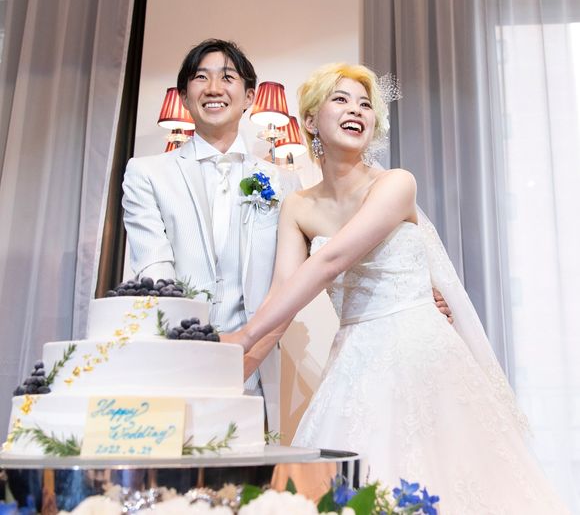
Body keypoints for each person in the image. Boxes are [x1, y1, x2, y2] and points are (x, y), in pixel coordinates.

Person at [222, 63, 570, 513]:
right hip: (352, 363)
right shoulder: (297, 207)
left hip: (422, 355)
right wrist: (229, 371)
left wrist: (243, 336)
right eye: (341, 99)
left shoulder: (396, 183)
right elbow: (280, 301)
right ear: (310, 120)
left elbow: (330, 262)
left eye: (365, 104)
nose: (356, 110)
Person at [121, 39, 301, 431]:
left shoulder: (284, 183)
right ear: (185, 96)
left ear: (249, 96)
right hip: (173, 359)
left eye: (227, 77)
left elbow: (292, 283)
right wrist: (194, 351)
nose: (214, 88)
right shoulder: (147, 173)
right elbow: (154, 269)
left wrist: (249, 357)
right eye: (201, 77)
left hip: (254, 368)